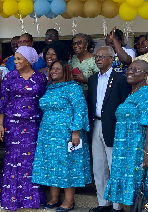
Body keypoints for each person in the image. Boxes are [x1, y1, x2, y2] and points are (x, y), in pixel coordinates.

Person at [32, 60, 91, 212]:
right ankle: (53, 197)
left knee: (68, 164)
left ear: (66, 71)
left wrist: (76, 131)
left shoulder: (73, 88)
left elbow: (80, 110)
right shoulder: (49, 89)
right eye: (52, 68)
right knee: (51, 164)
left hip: (66, 133)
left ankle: (69, 200)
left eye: (58, 69)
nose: (53, 71)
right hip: (48, 133)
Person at [0, 46, 47, 210]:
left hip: (33, 125)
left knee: (31, 160)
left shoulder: (40, 78)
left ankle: (31, 198)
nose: (15, 61)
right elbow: (2, 102)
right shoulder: (9, 77)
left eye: (19, 58)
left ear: (28, 60)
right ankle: (11, 198)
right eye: (15, 58)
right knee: (13, 159)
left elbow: (44, 102)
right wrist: (0, 125)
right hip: (13, 124)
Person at [87, 46, 131, 212]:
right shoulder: (92, 79)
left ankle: (116, 206)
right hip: (96, 125)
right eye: (96, 57)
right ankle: (103, 203)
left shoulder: (120, 79)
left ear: (111, 59)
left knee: (114, 167)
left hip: (113, 127)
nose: (98, 59)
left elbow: (124, 105)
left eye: (102, 57)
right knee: (99, 167)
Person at [104, 60, 148, 210]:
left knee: (139, 186)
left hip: (137, 149)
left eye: (136, 70)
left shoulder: (147, 94)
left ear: (145, 74)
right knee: (128, 189)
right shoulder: (132, 93)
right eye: (130, 68)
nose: (130, 72)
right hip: (124, 150)